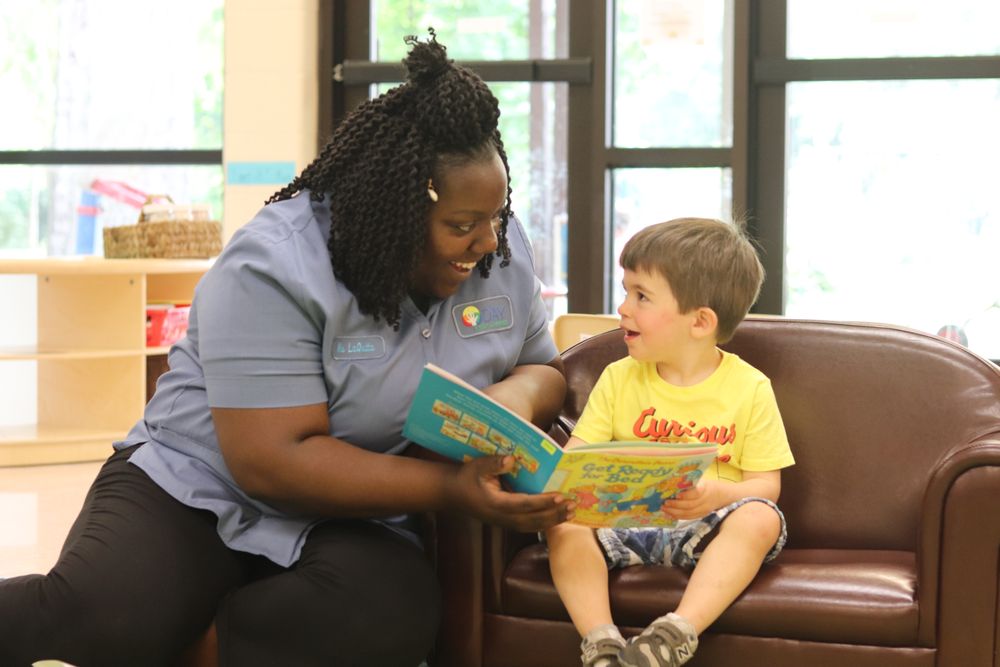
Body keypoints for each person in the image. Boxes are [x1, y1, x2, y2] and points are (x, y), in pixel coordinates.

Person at [0, 31, 571, 667]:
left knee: (390, 614)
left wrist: (509, 399)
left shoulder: (497, 245)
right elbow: (271, 462)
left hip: (360, 506)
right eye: (461, 227)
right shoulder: (275, 264)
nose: (485, 243)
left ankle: (183, 643)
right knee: (103, 616)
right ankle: (150, 632)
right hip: (199, 481)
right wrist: (448, 487)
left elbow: (542, 364)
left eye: (493, 219)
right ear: (397, 213)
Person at [544, 217, 796, 667]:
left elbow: (767, 485)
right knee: (563, 523)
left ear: (700, 322)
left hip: (703, 523)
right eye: (626, 291)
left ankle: (674, 633)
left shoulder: (750, 387)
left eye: (641, 296)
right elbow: (576, 458)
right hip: (621, 520)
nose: (623, 308)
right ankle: (602, 644)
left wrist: (721, 495)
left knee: (760, 518)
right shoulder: (618, 377)